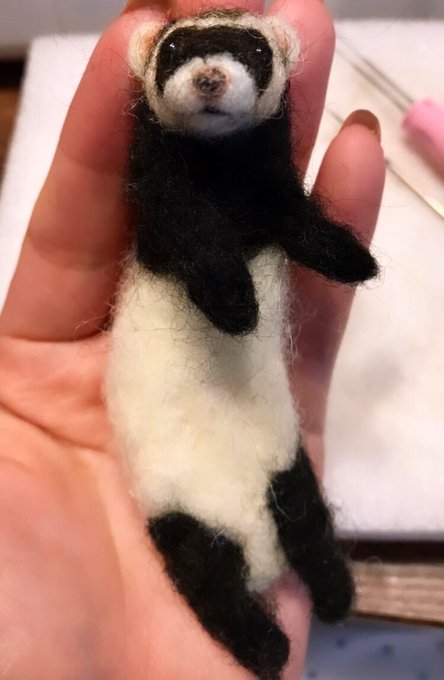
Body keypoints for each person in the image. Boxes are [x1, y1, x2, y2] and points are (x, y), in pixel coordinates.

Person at [0, 0, 385, 677]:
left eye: (240, 57)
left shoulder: (261, 166)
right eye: (181, 59)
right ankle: (231, 609)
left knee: (278, 450)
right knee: (177, 487)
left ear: (279, 60)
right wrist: (219, 279)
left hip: (247, 373)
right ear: (148, 66)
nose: (211, 74)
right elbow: (180, 228)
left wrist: (327, 245)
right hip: (168, 372)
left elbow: (283, 211)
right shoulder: (162, 183)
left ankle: (315, 558)